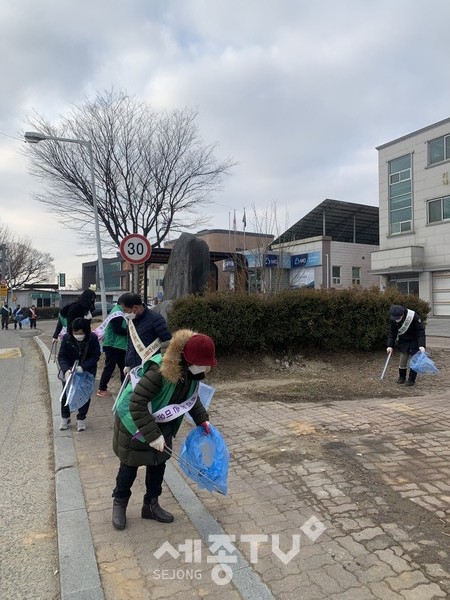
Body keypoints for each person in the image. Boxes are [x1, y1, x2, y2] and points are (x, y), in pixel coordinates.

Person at [111, 329, 217, 530]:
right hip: (134, 423)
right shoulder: (159, 372)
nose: (204, 368)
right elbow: (137, 403)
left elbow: (191, 399)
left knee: (158, 466)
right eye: (201, 363)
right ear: (187, 359)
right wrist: (152, 436)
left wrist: (202, 420)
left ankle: (151, 505)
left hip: (162, 423)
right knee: (129, 467)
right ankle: (119, 503)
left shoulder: (191, 373)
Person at [57, 317, 101, 431]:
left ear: (86, 331)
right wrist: (66, 370)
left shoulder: (92, 338)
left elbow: (95, 356)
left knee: (84, 393)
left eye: (80, 333)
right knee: (66, 393)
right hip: (70, 370)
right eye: (75, 333)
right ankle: (65, 418)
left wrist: (83, 367)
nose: (78, 335)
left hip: (86, 370)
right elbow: (62, 356)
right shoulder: (67, 338)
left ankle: (81, 418)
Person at [118, 292, 172, 371]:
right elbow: (130, 342)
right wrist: (127, 364)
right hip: (134, 368)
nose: (124, 313)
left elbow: (168, 341)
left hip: (151, 367)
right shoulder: (131, 321)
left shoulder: (156, 319)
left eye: (125, 310)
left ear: (135, 308)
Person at [387, 304, 426, 386]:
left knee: (414, 361)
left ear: (402, 314)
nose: (396, 320)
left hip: (415, 341)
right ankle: (402, 377)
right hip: (403, 341)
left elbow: (420, 331)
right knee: (403, 360)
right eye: (395, 318)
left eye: (398, 318)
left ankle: (411, 379)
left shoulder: (413, 316)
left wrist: (421, 345)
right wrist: (390, 346)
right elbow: (392, 333)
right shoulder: (393, 319)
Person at [96, 302, 128, 397]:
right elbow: (117, 329)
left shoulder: (118, 311)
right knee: (110, 367)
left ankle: (125, 389)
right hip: (113, 345)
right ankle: (102, 389)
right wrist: (130, 331)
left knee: (123, 367)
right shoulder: (118, 313)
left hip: (119, 345)